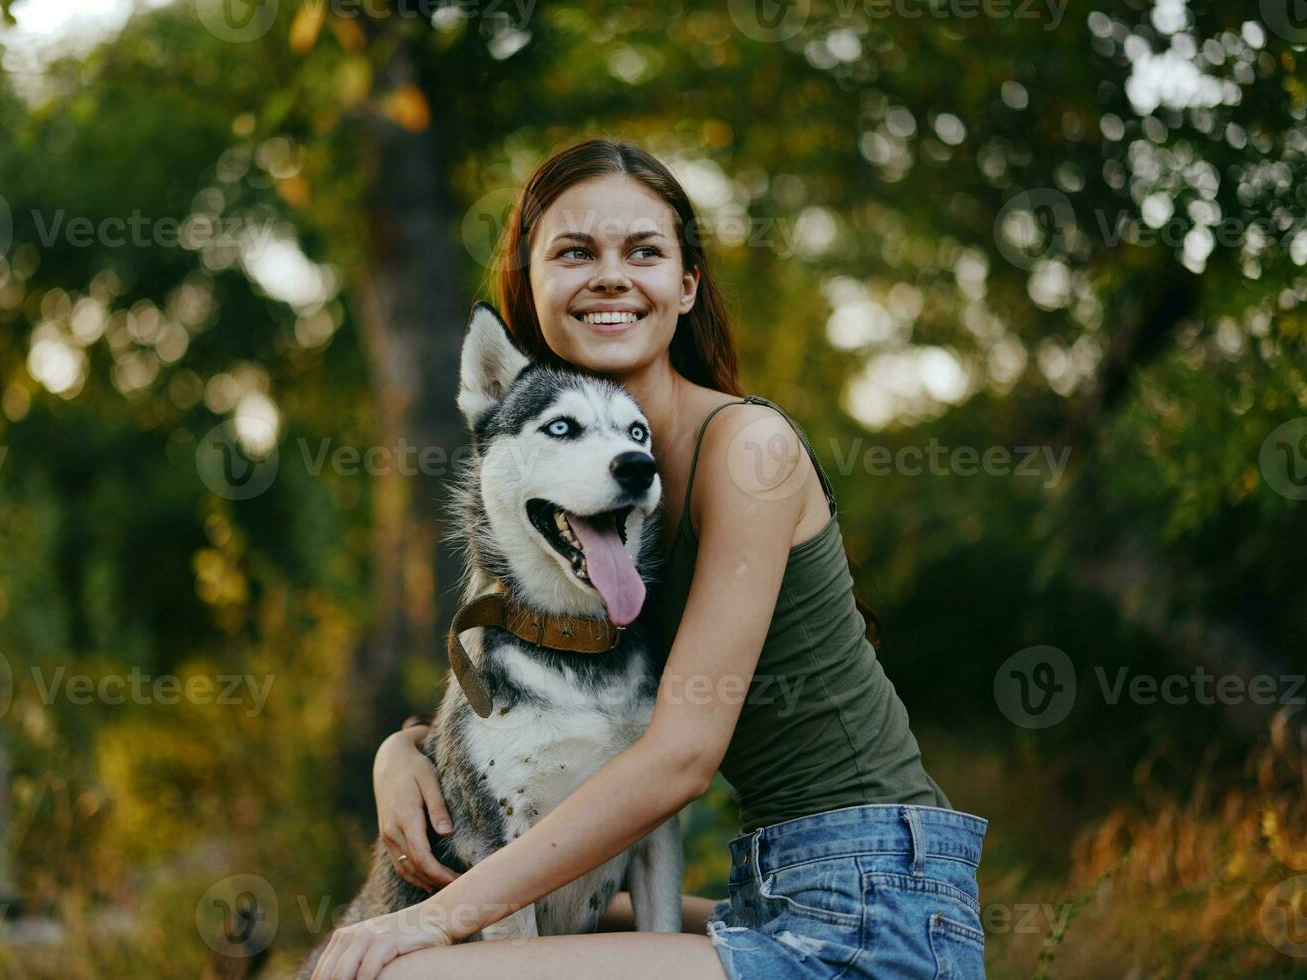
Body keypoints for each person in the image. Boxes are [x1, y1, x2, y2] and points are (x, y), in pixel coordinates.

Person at [312, 138, 987, 980]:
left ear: (686, 285)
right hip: (769, 891)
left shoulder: (747, 448)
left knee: (407, 973)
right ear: (529, 284)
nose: (610, 276)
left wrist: (433, 924)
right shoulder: (564, 478)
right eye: (574, 252)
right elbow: (514, 685)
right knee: (481, 920)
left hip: (875, 905)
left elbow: (680, 757)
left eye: (644, 252)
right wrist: (400, 754)